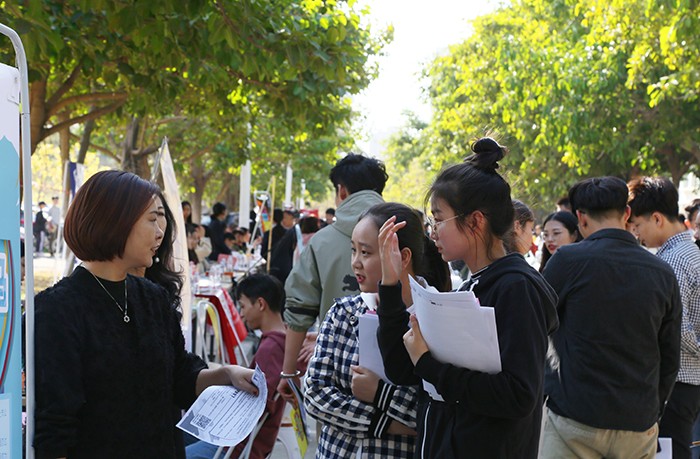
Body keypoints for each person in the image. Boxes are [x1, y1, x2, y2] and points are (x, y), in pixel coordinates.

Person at [34, 170, 257, 458]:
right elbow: (55, 429)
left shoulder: (153, 297)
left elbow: (180, 377)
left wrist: (226, 374)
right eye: (152, 219)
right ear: (115, 220)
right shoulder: (57, 310)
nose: (160, 232)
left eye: (161, 219)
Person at [377, 138, 559, 458]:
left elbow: (519, 395)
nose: (433, 231)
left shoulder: (517, 289)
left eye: (438, 219)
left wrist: (429, 366)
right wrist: (391, 284)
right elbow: (401, 370)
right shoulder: (469, 288)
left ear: (475, 221)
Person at [540, 176, 682, 458]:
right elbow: (669, 355)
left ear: (580, 218)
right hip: (638, 422)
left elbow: (536, 325)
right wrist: (652, 410)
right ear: (627, 213)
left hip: (574, 417)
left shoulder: (567, 261)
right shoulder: (662, 272)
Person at [304, 202, 450, 457]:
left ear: (403, 257)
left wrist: (381, 393)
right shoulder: (343, 313)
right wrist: (385, 424)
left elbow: (441, 410)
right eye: (353, 250)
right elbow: (315, 394)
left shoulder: (437, 318)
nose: (356, 263)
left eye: (366, 253)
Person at [278, 153, 387, 402]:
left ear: (341, 191)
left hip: (335, 379)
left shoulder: (321, 242)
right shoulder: (407, 233)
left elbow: (299, 310)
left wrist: (289, 372)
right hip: (397, 377)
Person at [628, 177, 700, 459]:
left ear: (657, 219)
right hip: (687, 381)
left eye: (637, 225)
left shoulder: (673, 261)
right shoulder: (688, 251)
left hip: (677, 381)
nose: (636, 234)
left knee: (672, 452)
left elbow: (677, 326)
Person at [187, 274, 287, 459]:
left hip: (236, 446)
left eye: (243, 306)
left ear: (260, 304)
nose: (241, 314)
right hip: (244, 441)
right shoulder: (283, 341)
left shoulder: (271, 350)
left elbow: (256, 406)